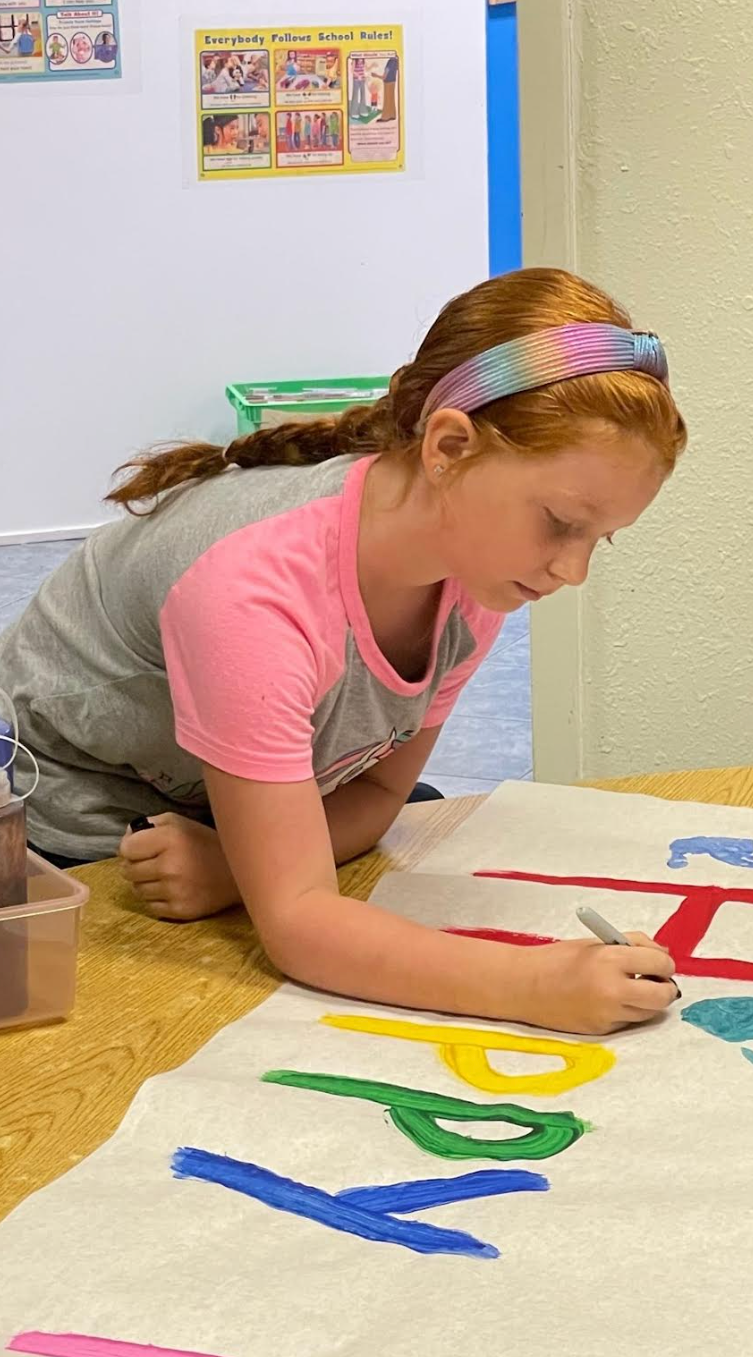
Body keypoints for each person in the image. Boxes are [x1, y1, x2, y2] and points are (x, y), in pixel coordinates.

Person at [0, 270, 687, 1036]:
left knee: (408, 847)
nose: (573, 570)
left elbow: (380, 796)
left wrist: (236, 866)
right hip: (64, 818)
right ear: (448, 447)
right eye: (561, 522)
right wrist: (534, 983)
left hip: (218, 813)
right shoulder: (251, 591)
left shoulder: (477, 573)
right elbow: (296, 925)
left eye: (602, 539)